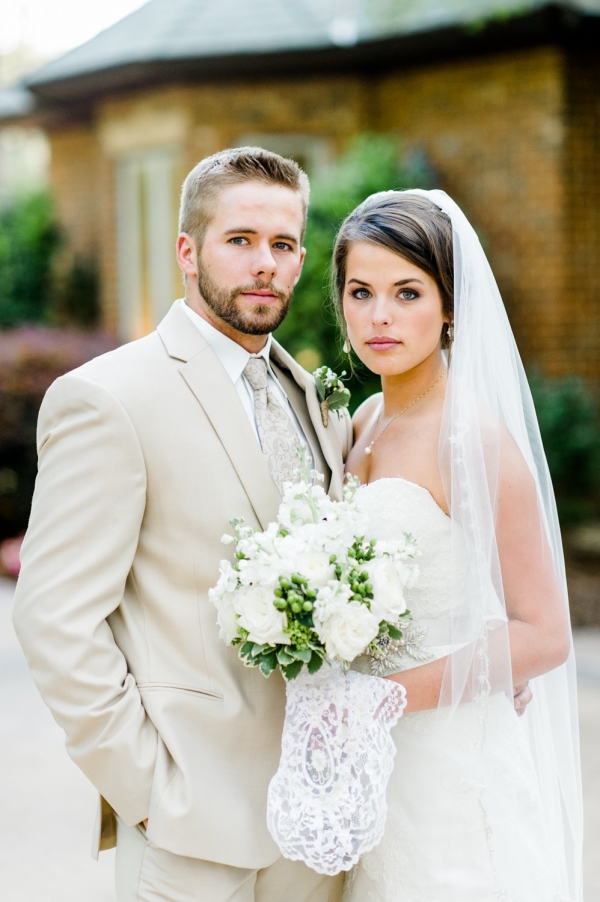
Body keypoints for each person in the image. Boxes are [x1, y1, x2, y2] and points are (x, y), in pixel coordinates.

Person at [12, 147, 351, 902]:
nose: (265, 263)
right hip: (191, 829)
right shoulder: (108, 398)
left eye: (283, 244)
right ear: (187, 252)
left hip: (317, 821)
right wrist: (152, 791)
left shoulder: (313, 396)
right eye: (240, 240)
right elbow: (53, 619)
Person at [336, 190, 583, 901]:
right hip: (373, 765)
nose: (379, 316)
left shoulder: (471, 437)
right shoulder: (365, 419)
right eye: (361, 292)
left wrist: (381, 698)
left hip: (446, 764)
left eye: (406, 292)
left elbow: (544, 634)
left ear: (448, 307)